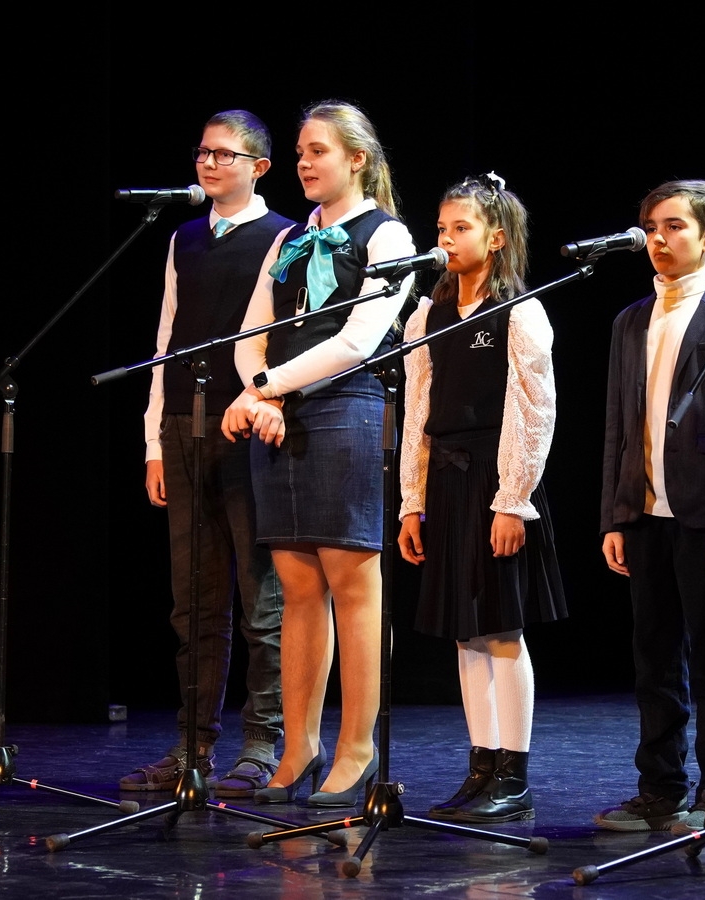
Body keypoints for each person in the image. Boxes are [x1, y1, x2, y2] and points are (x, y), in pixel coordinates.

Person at [223, 100, 414, 808]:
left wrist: (266, 389)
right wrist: (263, 396)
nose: (303, 163)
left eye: (318, 151)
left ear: (357, 159)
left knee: (351, 585)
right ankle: (299, 744)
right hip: (279, 415)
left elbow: (358, 340)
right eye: (300, 152)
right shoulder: (289, 238)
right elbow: (251, 334)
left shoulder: (386, 234)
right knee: (297, 588)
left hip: (348, 409)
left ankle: (357, 747)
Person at [124, 109, 290, 797]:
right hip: (182, 431)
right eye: (203, 152)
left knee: (262, 601)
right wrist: (153, 442)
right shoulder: (184, 238)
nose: (210, 163)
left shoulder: (285, 236)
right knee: (193, 603)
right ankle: (193, 744)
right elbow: (166, 338)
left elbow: (284, 337)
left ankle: (264, 742)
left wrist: (266, 401)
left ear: (259, 167)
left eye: (225, 154)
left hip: (247, 431)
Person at [596, 180, 705, 831]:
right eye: (650, 228)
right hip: (645, 514)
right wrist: (616, 514)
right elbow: (617, 425)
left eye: (674, 226)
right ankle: (659, 788)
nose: (658, 239)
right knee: (654, 657)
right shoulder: (630, 321)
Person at [396, 174, 567, 824]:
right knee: (465, 634)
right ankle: (481, 765)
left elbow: (534, 409)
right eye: (441, 228)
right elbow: (417, 412)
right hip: (446, 480)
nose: (446, 239)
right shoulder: (426, 318)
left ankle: (513, 775)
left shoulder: (519, 311)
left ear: (495, 238)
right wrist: (412, 501)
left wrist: (512, 500)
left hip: (496, 480)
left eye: (460, 228)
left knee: (500, 628)